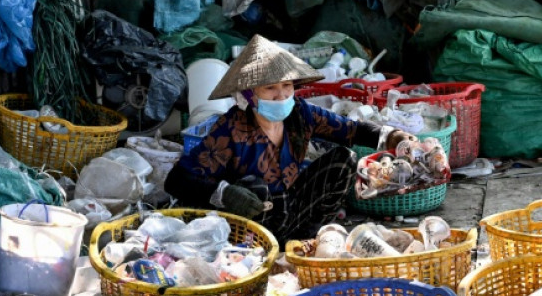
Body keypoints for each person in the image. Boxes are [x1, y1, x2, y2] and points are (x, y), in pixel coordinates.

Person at [165, 35, 414, 240]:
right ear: (250, 95)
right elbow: (177, 180)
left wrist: (394, 136)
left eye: (287, 86)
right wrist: (224, 192)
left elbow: (351, 130)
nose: (281, 95)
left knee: (343, 160)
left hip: (292, 213)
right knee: (256, 187)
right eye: (270, 88)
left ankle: (305, 238)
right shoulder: (231, 129)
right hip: (250, 225)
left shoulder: (300, 113)